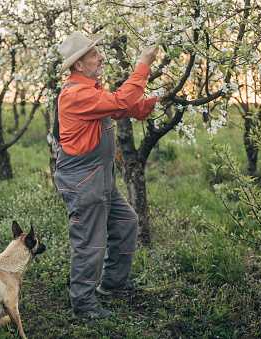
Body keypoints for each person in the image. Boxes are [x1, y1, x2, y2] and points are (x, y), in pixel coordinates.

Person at [54, 31, 169, 320]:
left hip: (100, 176)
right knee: (90, 241)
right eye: (94, 54)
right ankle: (83, 305)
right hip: (84, 180)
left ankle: (113, 283)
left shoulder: (90, 90)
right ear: (79, 65)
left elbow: (121, 109)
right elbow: (119, 102)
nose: (101, 56)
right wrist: (144, 64)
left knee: (126, 221)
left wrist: (155, 101)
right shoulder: (76, 93)